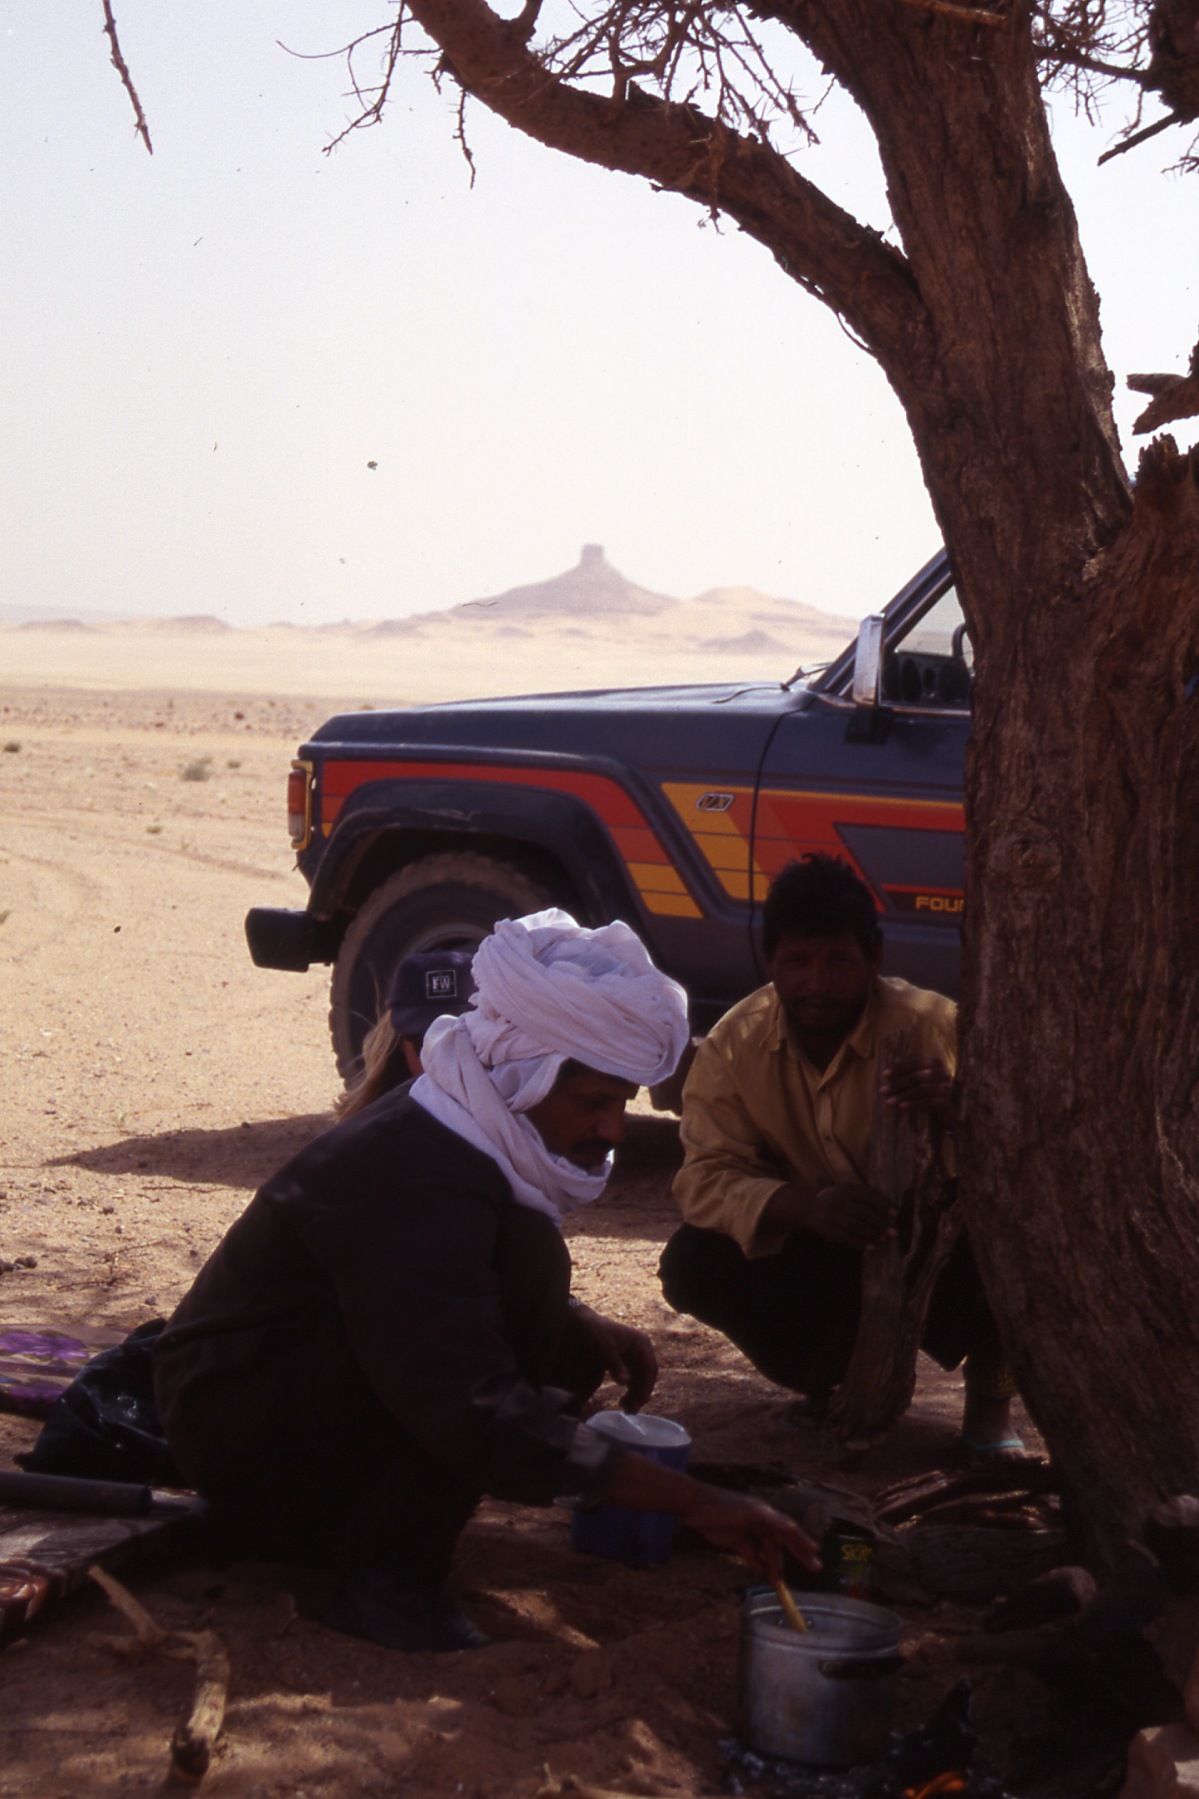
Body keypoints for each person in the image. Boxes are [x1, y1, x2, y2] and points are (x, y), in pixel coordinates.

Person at [153, 909, 818, 1653]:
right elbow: (466, 1401)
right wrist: (692, 1501)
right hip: (238, 1424)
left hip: (283, 1391)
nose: (614, 1130)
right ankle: (388, 1584)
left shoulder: (459, 1124)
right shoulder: (416, 1166)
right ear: (523, 1077)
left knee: (553, 1313)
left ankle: (359, 1530)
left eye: (621, 1102)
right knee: (518, 1306)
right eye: (595, 1101)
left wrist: (574, 1320)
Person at [658, 855, 1019, 1455]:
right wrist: (804, 1207)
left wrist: (960, 1112)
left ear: (874, 959)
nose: (817, 984)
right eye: (798, 961)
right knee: (694, 1263)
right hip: (825, 1241)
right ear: (770, 962)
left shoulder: (933, 1028)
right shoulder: (733, 1045)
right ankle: (831, 1381)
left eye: (838, 961)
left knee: (1015, 1244)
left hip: (942, 1245)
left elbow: (1027, 1155)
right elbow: (705, 1179)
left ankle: (990, 1407)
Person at [336, 948, 476, 1119]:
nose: (443, 1059)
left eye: (464, 1038)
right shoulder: (376, 1127)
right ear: (400, 1044)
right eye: (426, 1042)